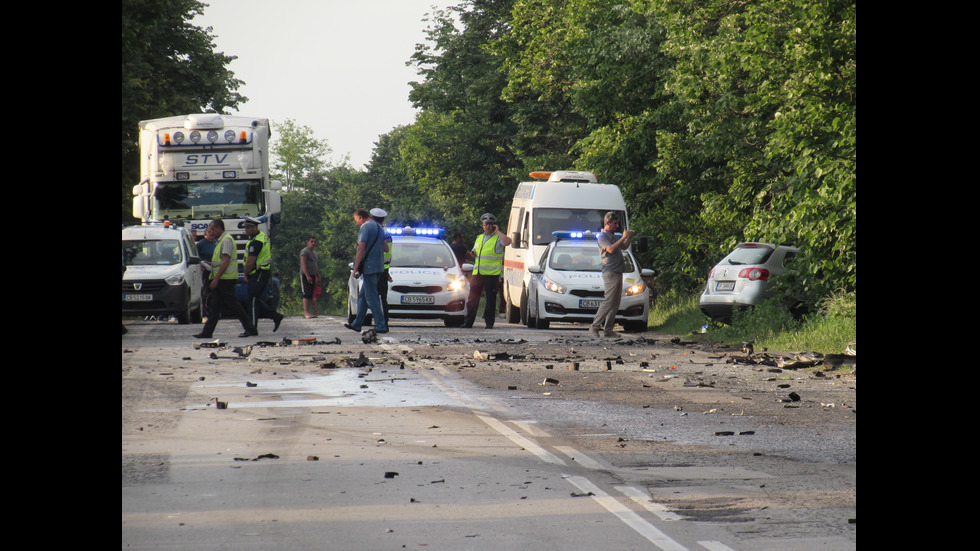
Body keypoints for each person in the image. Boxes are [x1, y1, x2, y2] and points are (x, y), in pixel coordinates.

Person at [193, 218, 257, 339]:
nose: (210, 232)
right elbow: (221, 261)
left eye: (212, 229)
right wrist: (211, 264)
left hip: (225, 279)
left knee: (233, 305)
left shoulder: (226, 240)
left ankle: (250, 329)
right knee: (215, 306)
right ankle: (207, 332)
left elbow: (226, 261)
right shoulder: (220, 240)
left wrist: (216, 279)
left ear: (219, 228)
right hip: (222, 277)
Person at [589, 212, 635, 337]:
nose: (617, 225)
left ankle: (608, 330)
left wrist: (629, 237)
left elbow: (624, 247)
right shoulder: (602, 237)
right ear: (607, 223)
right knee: (609, 300)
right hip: (610, 271)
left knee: (615, 302)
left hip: (618, 271)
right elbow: (610, 249)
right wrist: (622, 237)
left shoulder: (613, 236)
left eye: (617, 223)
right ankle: (594, 327)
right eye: (614, 223)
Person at [462, 213, 511, 328]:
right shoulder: (479, 238)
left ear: (493, 225)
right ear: (482, 226)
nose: (488, 226)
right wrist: (472, 254)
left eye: (490, 224)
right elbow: (475, 253)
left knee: (490, 300)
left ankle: (489, 323)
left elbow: (508, 242)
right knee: (472, 298)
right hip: (477, 273)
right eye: (486, 224)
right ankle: (468, 322)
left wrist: (498, 231)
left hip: (491, 274)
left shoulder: (498, 238)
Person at [345, 208, 389, 333]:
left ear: (360, 218)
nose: (357, 223)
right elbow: (386, 248)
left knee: (371, 297)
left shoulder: (365, 227)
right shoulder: (380, 228)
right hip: (379, 267)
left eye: (356, 221)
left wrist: (356, 267)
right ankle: (357, 324)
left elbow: (361, 249)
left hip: (369, 267)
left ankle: (381, 325)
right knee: (364, 296)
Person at [242, 217, 284, 332]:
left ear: (255, 227)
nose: (246, 230)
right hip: (261, 273)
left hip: (258, 273)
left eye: (248, 227)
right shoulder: (259, 237)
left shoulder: (256, 242)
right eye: (245, 227)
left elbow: (250, 261)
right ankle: (275, 316)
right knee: (255, 300)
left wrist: (245, 274)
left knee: (253, 301)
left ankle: (252, 328)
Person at [370, 207, 393, 319]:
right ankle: (384, 320)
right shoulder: (387, 233)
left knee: (375, 296)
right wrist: (387, 271)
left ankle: (381, 321)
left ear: (373, 219)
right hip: (385, 268)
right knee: (383, 296)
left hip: (376, 267)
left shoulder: (376, 232)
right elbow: (389, 254)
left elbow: (385, 250)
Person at [196, 225, 218, 323]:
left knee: (215, 294)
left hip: (215, 271)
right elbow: (197, 257)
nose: (211, 233)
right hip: (205, 272)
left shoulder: (216, 243)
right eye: (209, 232)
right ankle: (205, 314)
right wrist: (203, 263)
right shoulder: (200, 244)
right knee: (205, 293)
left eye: (213, 231)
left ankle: (214, 313)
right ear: (205, 234)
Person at [300, 236, 319, 318]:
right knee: (306, 293)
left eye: (315, 241)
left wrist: (318, 276)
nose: (313, 243)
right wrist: (307, 275)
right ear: (307, 242)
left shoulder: (314, 253)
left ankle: (310, 312)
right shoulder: (305, 251)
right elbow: (303, 264)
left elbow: (315, 265)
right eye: (311, 241)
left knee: (311, 294)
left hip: (313, 275)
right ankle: (306, 312)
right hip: (305, 275)